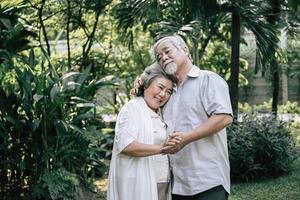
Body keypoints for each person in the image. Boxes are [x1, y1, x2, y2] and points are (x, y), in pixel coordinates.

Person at [153, 35, 233, 200]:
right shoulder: (167, 93)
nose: (164, 58)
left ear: (185, 50)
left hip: (208, 182)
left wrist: (186, 138)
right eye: (159, 57)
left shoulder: (208, 79)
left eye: (167, 51)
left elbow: (224, 117)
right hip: (177, 185)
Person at [107, 63, 179, 200]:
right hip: (139, 184)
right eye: (160, 87)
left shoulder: (161, 114)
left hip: (162, 182)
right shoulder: (132, 109)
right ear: (146, 84)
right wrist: (163, 148)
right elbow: (126, 145)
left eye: (169, 91)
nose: (163, 94)